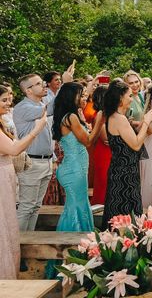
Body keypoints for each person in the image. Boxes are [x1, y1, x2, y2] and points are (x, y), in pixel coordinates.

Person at [45, 83, 104, 278]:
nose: (84, 97)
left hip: (75, 168)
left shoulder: (71, 116)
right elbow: (88, 141)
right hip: (74, 170)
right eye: (81, 94)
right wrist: (99, 122)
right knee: (75, 210)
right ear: (72, 96)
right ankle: (70, 259)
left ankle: (81, 259)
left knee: (78, 208)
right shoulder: (70, 117)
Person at [0, 84, 48, 279]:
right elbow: (13, 149)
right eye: (3, 100)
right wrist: (36, 130)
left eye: (8, 99)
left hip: (6, 176)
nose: (8, 103)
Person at [101, 79, 152, 229]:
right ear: (120, 98)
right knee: (124, 214)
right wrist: (146, 122)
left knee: (120, 212)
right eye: (129, 96)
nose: (132, 99)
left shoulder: (114, 116)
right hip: (124, 175)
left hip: (124, 170)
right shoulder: (119, 119)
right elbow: (136, 145)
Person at [13, 74, 54, 232]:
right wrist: (66, 85)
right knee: (26, 207)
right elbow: (51, 108)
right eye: (38, 83)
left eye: (42, 82)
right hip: (32, 163)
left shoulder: (40, 104)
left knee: (36, 206)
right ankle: (18, 247)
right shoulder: (23, 107)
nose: (44, 85)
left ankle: (28, 242)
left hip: (46, 161)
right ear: (28, 90)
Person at [90, 85, 110, 205]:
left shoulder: (106, 114)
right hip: (104, 152)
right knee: (104, 182)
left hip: (108, 151)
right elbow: (106, 138)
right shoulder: (99, 115)